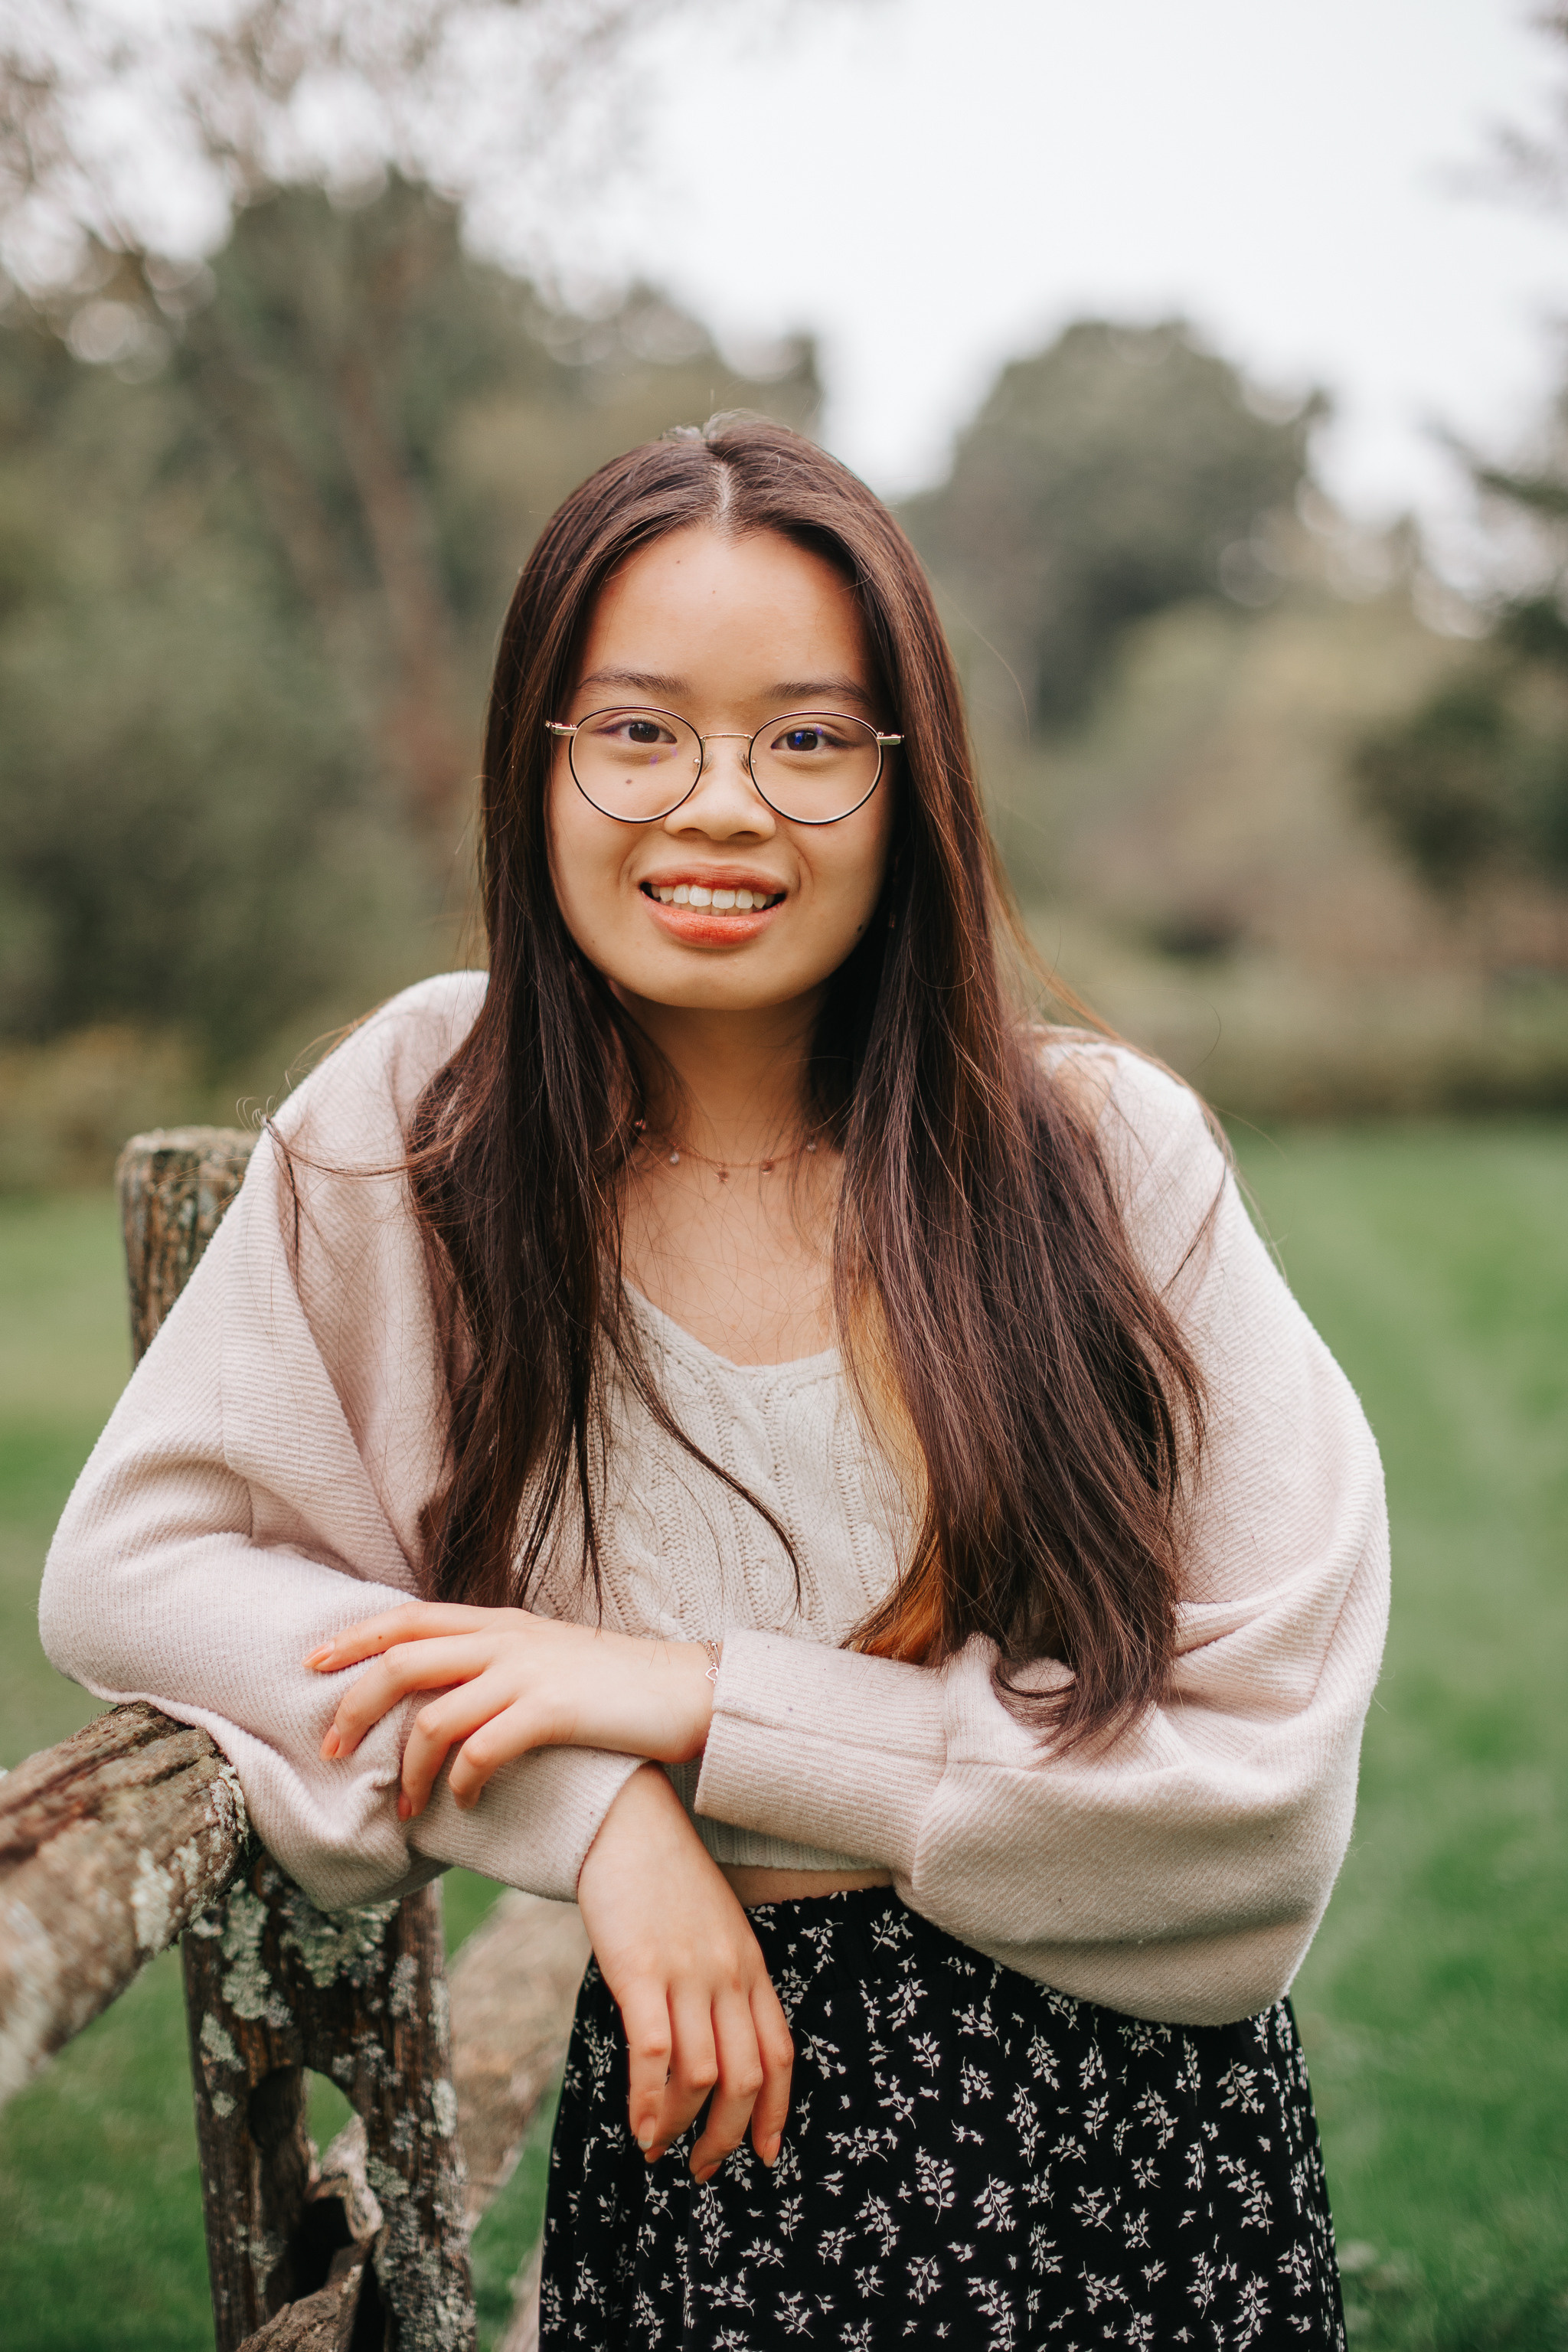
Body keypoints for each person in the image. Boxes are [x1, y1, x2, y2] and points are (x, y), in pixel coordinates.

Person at [41, 416, 1387, 2349]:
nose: (721, 804)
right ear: (541, 758)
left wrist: (688, 1700)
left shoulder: (1100, 1162)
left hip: (1126, 2172)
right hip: (705, 2151)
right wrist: (596, 1806)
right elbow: (137, 1575)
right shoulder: (421, 1131)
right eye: (639, 728)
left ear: (907, 780)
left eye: (811, 738)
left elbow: (1255, 1800)